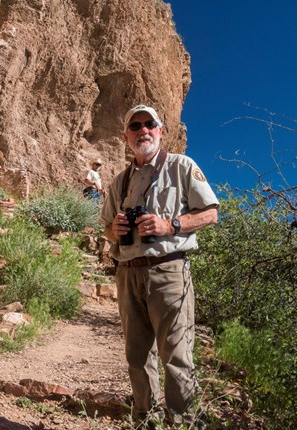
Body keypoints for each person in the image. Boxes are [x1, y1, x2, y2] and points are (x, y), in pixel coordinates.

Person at [99, 104, 219, 427]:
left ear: (160, 130)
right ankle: (145, 421)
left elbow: (210, 213)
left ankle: (184, 423)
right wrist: (116, 230)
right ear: (126, 137)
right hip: (127, 274)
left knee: (177, 357)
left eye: (149, 124)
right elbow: (106, 227)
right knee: (137, 358)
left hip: (169, 271)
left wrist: (170, 226)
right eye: (135, 126)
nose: (143, 131)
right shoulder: (119, 182)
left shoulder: (181, 167)